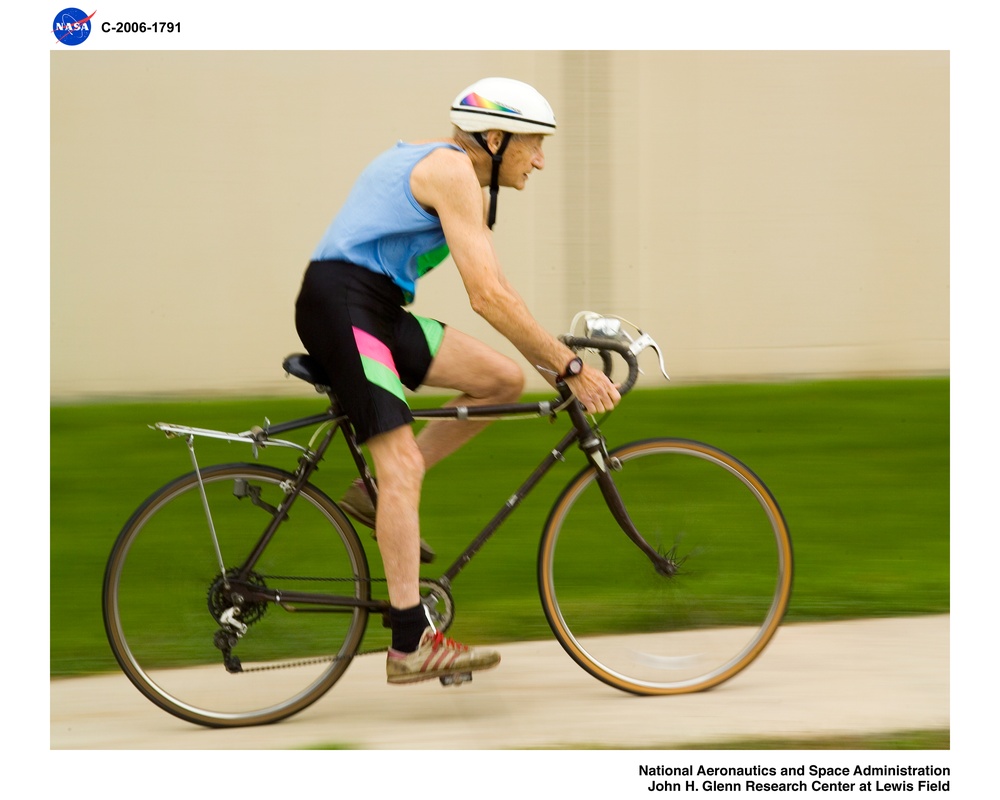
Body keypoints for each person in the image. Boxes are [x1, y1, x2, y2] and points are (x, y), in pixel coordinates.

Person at [294, 77, 620, 685]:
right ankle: (409, 641)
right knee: (403, 470)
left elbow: (501, 292)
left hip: (375, 309)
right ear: (494, 139)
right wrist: (570, 368)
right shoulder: (450, 172)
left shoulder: (453, 174)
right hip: (344, 307)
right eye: (533, 144)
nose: (541, 160)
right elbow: (488, 297)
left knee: (500, 380)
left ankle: (372, 497)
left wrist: (551, 361)